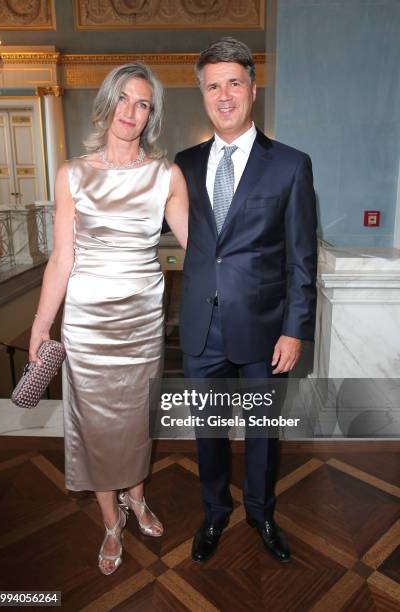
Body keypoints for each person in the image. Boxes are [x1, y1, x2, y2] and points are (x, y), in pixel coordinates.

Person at [29, 63, 188, 575]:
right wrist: (39, 325)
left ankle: (136, 499)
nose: (131, 111)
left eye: (142, 103)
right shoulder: (72, 173)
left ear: (151, 115)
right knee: (97, 426)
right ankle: (110, 522)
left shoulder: (166, 174)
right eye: (124, 99)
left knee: (138, 420)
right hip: (87, 324)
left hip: (142, 321)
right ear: (108, 103)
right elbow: (62, 259)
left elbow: (202, 249)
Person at [174, 38, 317, 564]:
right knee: (207, 434)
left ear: (252, 89)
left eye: (234, 82)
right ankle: (215, 513)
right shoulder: (183, 164)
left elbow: (303, 259)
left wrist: (294, 328)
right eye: (213, 85)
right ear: (203, 94)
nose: (224, 95)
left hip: (264, 329)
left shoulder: (291, 165)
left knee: (262, 434)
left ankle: (260, 512)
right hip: (201, 329)